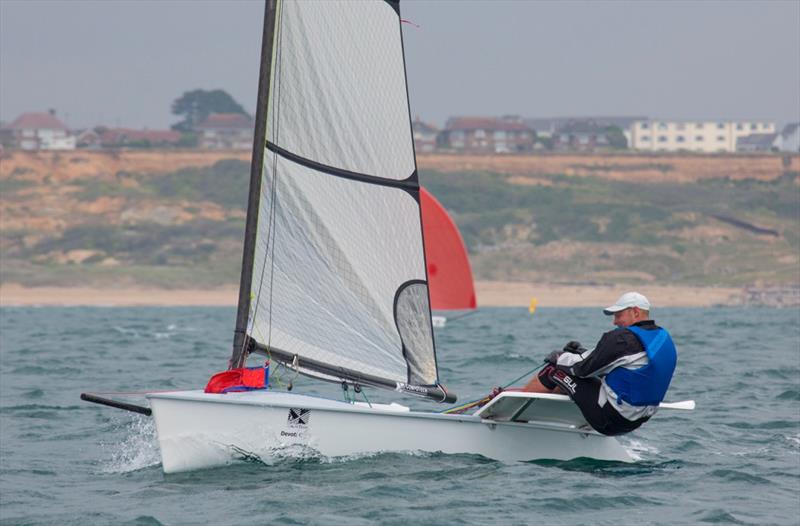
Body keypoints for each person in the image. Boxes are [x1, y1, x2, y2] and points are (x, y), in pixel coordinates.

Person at [518, 292, 677, 436]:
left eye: (618, 315)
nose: (615, 322)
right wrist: (581, 353)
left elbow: (582, 369)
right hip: (638, 419)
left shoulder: (623, 338)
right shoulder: (663, 338)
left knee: (554, 371)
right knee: (574, 375)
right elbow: (622, 364)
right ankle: (550, 414)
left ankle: (518, 415)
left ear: (635, 312)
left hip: (611, 418)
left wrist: (559, 357)